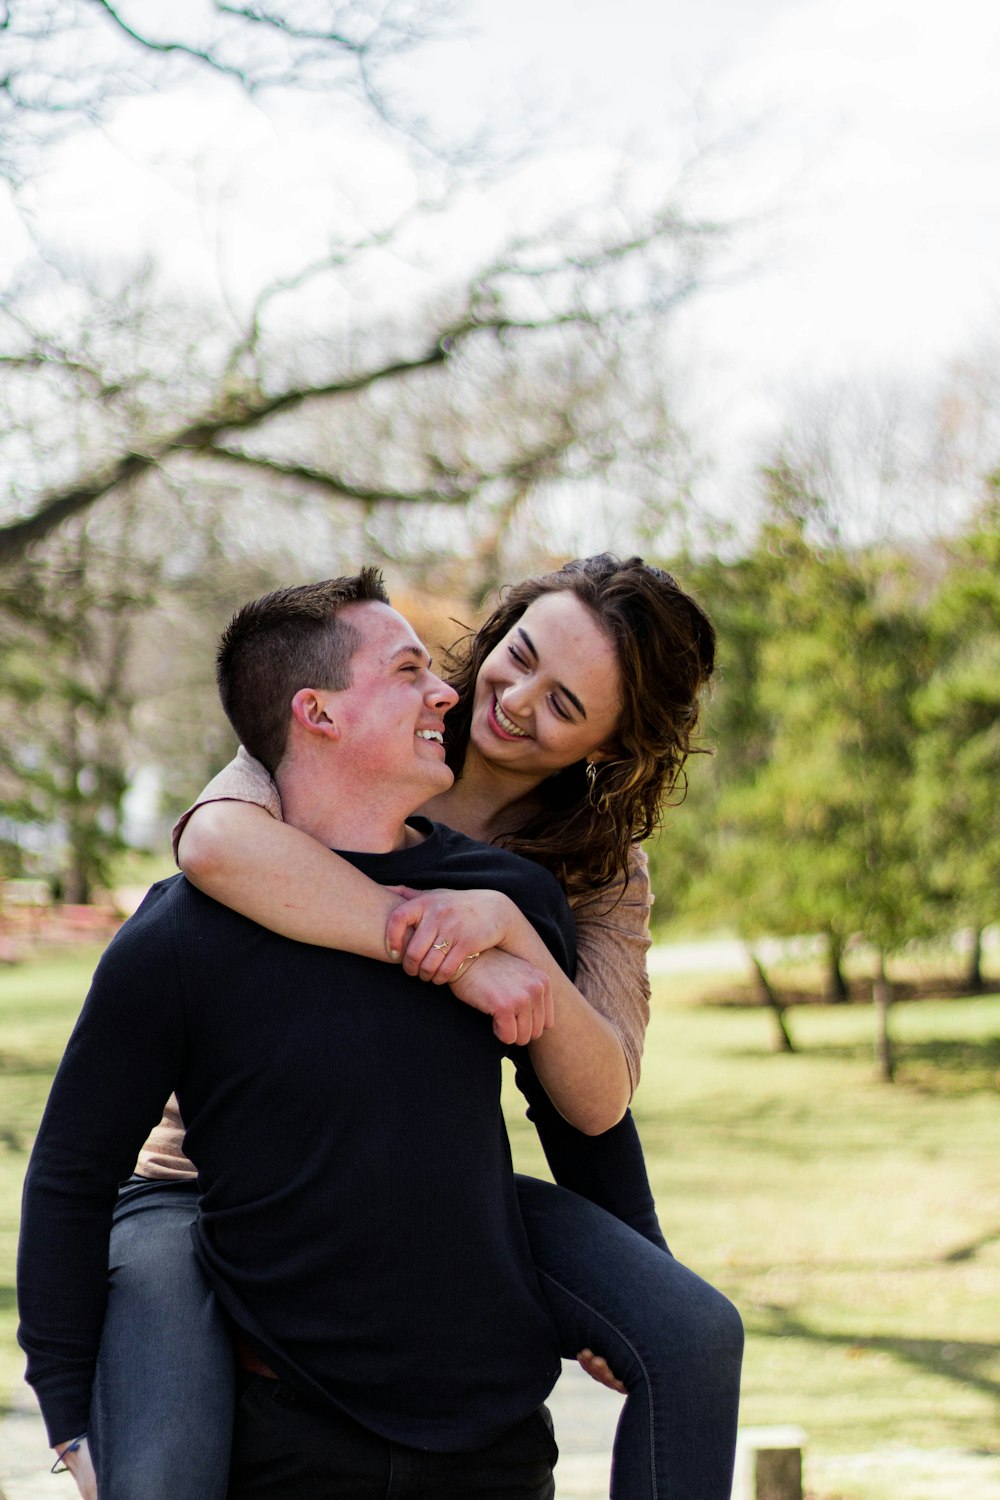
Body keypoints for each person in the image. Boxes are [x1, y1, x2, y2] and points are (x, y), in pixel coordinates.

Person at [143, 554, 745, 1499]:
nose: (514, 700)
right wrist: (454, 951)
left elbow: (592, 1099)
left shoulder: (595, 870)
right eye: (520, 656)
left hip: (432, 1172)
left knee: (692, 1330)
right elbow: (216, 842)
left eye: (565, 705)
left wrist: (518, 938)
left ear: (611, 745)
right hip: (216, 1168)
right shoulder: (364, 715)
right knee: (165, 1462)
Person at [18, 572, 589, 1500]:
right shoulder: (179, 937)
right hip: (288, 1443)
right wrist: (68, 1408)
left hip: (498, 1442)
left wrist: (643, 1294)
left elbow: (579, 1117)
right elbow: (72, 1171)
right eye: (409, 671)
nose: (449, 690)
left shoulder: (507, 902)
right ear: (317, 713)